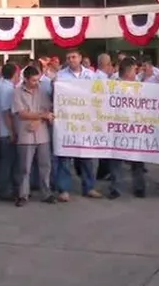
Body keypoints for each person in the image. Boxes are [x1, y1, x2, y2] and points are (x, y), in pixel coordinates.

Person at [55, 49, 102, 200]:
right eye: (68, 57)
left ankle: (89, 187)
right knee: (65, 157)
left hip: (86, 121)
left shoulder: (91, 75)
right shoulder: (61, 76)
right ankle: (64, 189)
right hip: (67, 121)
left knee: (87, 156)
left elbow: (100, 95)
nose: (71, 60)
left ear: (80, 58)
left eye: (74, 57)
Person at [12, 66, 56, 206]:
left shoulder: (42, 91)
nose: (36, 83)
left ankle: (46, 193)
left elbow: (48, 109)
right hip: (25, 134)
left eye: (38, 80)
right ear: (25, 79)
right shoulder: (17, 92)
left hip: (42, 133)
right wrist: (42, 116)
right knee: (25, 168)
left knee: (45, 166)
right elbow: (21, 113)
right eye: (33, 80)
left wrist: (38, 119)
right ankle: (23, 195)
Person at [106, 58, 148, 199]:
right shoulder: (112, 85)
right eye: (134, 70)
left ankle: (139, 187)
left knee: (137, 158)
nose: (136, 72)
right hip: (117, 127)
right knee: (116, 159)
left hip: (135, 127)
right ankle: (115, 188)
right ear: (129, 70)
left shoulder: (140, 86)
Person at [0, 63, 21, 200]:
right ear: (15, 73)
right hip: (5, 131)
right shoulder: (6, 89)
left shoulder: (5, 86)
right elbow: (6, 112)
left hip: (5, 130)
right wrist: (11, 131)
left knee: (9, 161)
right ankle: (5, 190)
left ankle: (9, 187)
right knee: (7, 162)